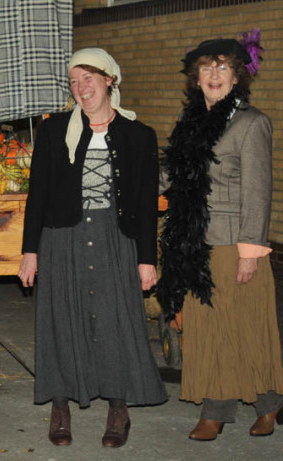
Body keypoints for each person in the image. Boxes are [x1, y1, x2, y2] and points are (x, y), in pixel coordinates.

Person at [18, 47, 167, 448]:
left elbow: (145, 202)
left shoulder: (139, 136)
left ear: (109, 80)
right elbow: (39, 195)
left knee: (116, 319)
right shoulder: (53, 132)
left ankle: (118, 408)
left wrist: (146, 260)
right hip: (61, 236)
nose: (81, 88)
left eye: (89, 78)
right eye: (74, 81)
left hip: (115, 237)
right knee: (62, 319)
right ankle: (61, 405)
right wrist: (30, 250)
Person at [156, 33, 283, 441]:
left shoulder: (251, 123)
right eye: (206, 67)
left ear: (237, 76)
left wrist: (250, 251)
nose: (214, 74)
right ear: (195, 77)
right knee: (207, 330)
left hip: (232, 243)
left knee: (243, 328)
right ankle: (231, 406)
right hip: (193, 243)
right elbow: (173, 174)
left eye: (223, 66)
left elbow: (258, 192)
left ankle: (255, 406)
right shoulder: (188, 121)